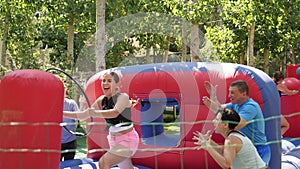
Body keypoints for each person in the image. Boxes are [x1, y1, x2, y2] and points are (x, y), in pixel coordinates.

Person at [63, 71, 139, 169]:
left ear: (117, 84)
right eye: (103, 81)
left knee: (103, 163)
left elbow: (115, 112)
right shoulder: (101, 100)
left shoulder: (123, 97)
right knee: (127, 168)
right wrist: (61, 113)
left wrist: (95, 113)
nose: (105, 83)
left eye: (109, 81)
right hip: (114, 140)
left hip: (127, 140)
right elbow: (83, 115)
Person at [202, 80, 270, 165]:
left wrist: (214, 108)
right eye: (229, 92)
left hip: (258, 148)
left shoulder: (250, 107)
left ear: (244, 94)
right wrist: (213, 97)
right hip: (243, 147)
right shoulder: (235, 104)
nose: (229, 96)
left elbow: (235, 126)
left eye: (232, 93)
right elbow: (220, 110)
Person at [193, 108, 267, 169]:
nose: (213, 121)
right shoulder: (235, 135)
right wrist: (210, 142)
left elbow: (226, 164)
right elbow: (224, 152)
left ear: (225, 124)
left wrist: (209, 147)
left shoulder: (231, 140)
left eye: (217, 119)